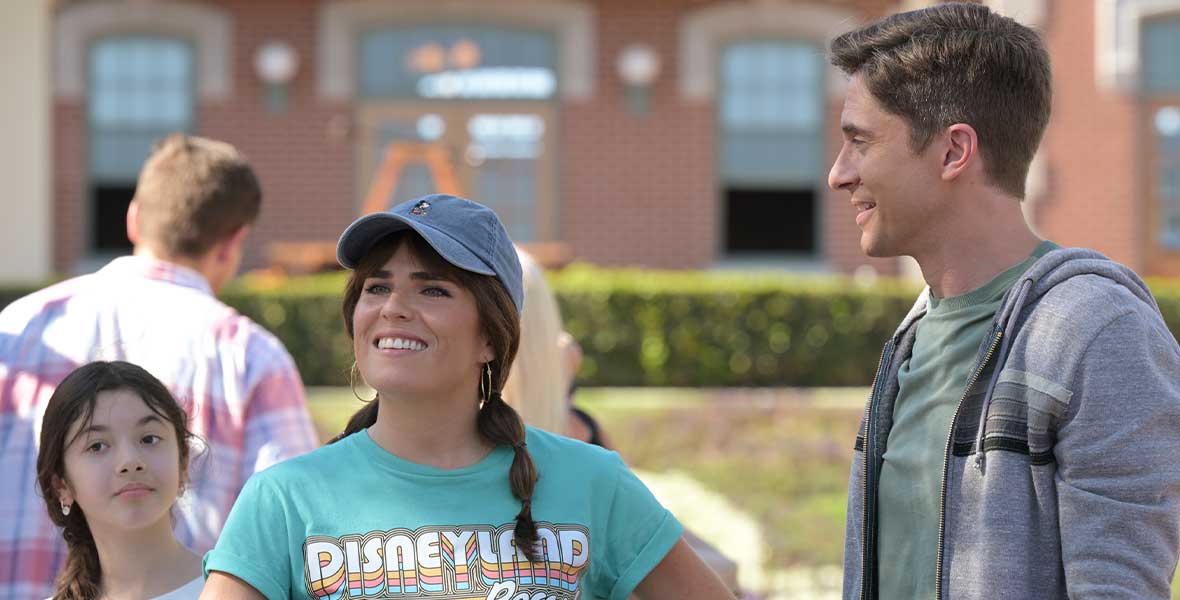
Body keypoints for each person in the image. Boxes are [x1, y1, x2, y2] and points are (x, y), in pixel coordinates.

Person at [200, 193, 735, 600]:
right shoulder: (282, 501)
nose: (393, 308)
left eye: (433, 289)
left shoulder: (593, 483)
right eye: (377, 287)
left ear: (489, 337)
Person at [828, 4, 1180, 599]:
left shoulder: (1100, 331)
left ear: (953, 152)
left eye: (860, 141)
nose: (839, 174)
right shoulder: (914, 335)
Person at [0, 134, 319, 599]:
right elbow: (293, 532)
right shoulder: (247, 354)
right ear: (233, 243)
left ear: (133, 218)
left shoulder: (20, 325)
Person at [37, 361, 204, 600]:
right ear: (61, 485)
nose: (130, 461)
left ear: (183, 461)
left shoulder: (238, 591)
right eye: (97, 446)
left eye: (149, 439)